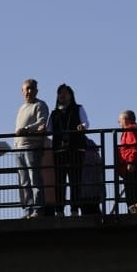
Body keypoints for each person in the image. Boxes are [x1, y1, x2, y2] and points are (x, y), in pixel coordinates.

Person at [48, 84, 100, 220]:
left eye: (65, 93)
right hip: (59, 151)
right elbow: (48, 129)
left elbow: (86, 123)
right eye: (60, 93)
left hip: (76, 149)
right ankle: (59, 210)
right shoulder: (54, 113)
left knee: (75, 181)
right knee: (59, 182)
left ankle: (74, 210)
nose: (62, 95)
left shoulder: (78, 108)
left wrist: (82, 126)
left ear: (71, 96)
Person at [14, 79, 50, 218]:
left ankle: (38, 210)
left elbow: (42, 122)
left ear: (36, 90)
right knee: (24, 182)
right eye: (27, 89)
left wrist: (26, 129)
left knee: (34, 179)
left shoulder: (40, 105)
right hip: (19, 148)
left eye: (32, 88)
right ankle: (28, 210)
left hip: (32, 146)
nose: (29, 91)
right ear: (22, 91)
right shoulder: (21, 108)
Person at [115, 109, 137, 212]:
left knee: (132, 194)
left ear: (125, 119)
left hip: (133, 167)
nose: (119, 123)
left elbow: (134, 147)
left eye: (120, 120)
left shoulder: (130, 130)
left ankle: (136, 215)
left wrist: (131, 162)